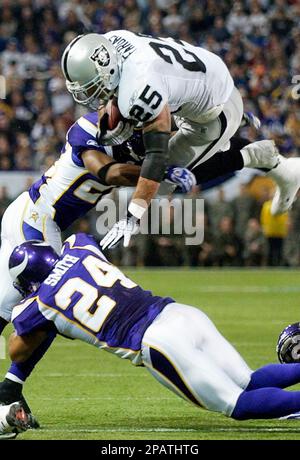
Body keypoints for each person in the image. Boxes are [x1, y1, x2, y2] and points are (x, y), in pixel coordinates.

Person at [0, 110, 193, 428]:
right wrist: (159, 170)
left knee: (16, 309)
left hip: (44, 224)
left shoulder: (134, 144)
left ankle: (9, 389)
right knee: (51, 304)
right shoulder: (90, 129)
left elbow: (144, 173)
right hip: (34, 218)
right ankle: (9, 389)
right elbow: (108, 172)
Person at [3, 233, 300, 437]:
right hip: (181, 313)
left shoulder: (40, 303)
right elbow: (74, 241)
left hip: (158, 342)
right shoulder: (80, 246)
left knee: (236, 404)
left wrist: (27, 310)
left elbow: (17, 351)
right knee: (248, 381)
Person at [61, 31, 300, 249]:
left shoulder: (138, 88)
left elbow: (157, 154)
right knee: (155, 153)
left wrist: (133, 217)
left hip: (213, 110)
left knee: (165, 179)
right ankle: (235, 132)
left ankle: (254, 155)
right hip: (202, 73)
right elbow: (164, 89)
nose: (94, 98)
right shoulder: (113, 40)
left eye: (94, 87)